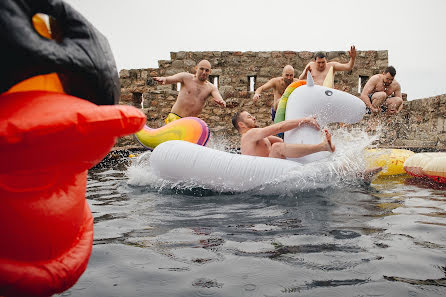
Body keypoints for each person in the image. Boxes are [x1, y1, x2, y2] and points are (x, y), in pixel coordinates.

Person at [232, 111, 335, 159]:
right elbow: (279, 127)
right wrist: (305, 120)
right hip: (263, 174)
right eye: (249, 117)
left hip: (270, 168)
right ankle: (322, 147)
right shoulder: (249, 134)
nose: (254, 118)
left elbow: (282, 142)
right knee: (276, 148)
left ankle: (318, 153)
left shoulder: (256, 138)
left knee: (277, 145)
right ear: (241, 124)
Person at [153, 60, 226, 124]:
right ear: (196, 68)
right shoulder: (185, 77)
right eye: (201, 69)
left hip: (190, 123)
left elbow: (219, 99)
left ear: (210, 72)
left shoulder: (211, 88)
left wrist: (222, 103)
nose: (204, 72)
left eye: (207, 70)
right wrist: (163, 79)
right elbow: (170, 79)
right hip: (175, 119)